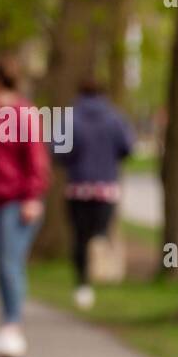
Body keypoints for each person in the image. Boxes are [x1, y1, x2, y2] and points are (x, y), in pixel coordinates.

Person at [0, 53, 51, 357]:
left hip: (16, 201)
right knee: (0, 266)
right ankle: (6, 327)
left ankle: (13, 329)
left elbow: (36, 158)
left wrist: (32, 196)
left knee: (10, 264)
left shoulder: (23, 113)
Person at [59, 77, 132, 310]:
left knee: (80, 238)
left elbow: (59, 150)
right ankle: (103, 268)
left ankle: (83, 284)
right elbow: (127, 147)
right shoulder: (115, 118)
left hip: (78, 187)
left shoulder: (70, 118)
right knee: (100, 233)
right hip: (106, 188)